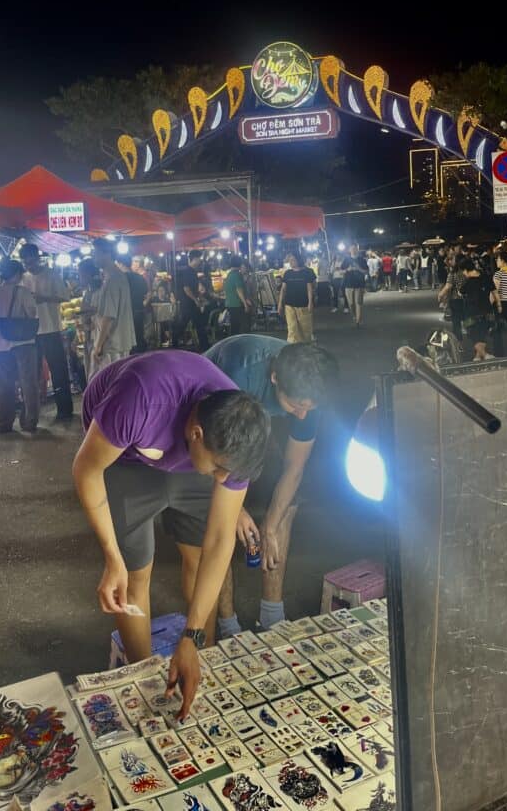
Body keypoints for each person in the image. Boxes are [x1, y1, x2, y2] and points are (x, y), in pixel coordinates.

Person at [73, 350, 270, 718]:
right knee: (134, 575)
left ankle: (197, 654)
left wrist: (191, 637)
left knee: (200, 555)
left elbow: (219, 539)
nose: (226, 482)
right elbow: (86, 470)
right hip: (124, 455)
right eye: (222, 472)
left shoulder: (236, 440)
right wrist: (111, 556)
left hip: (189, 459)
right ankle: (145, 678)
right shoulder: (141, 399)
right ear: (195, 434)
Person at [204, 335, 337, 635]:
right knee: (220, 521)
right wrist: (235, 511)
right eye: (296, 406)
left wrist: (271, 525)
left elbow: (294, 467)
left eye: (308, 408)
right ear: (275, 378)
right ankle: (228, 624)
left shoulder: (306, 392)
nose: (302, 414)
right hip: (209, 427)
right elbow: (213, 454)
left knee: (284, 509)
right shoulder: (238, 374)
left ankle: (272, 615)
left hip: (256, 422)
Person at [20, 243, 74, 421]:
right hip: (31, 331)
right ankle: (33, 412)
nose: (29, 266)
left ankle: (65, 410)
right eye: (26, 263)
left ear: (38, 258)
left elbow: (65, 296)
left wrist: (44, 298)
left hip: (51, 328)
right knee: (32, 373)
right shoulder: (23, 278)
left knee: (58, 371)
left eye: (31, 261)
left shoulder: (51, 274)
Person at [0, 258, 39, 434]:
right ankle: (29, 422)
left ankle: (3, 422)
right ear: (17, 274)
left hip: (1, 345)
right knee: (28, 384)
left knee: (4, 385)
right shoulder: (24, 293)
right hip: (23, 343)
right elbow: (32, 314)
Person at [90, 238, 136, 377]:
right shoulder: (115, 276)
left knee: (109, 385)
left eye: (95, 253)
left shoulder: (113, 280)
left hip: (112, 344)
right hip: (119, 341)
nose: (93, 257)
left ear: (107, 254)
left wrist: (98, 346)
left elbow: (109, 316)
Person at [459, 257, 494, 360]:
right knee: (482, 333)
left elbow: (460, 292)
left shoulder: (468, 282)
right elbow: (493, 292)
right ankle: (478, 356)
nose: (464, 274)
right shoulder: (486, 277)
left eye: (463, 272)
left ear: (466, 270)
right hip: (486, 310)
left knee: (472, 334)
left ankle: (484, 355)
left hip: (471, 312)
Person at [174, 251, 209, 351]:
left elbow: (194, 287)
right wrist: (195, 300)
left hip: (191, 303)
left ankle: (204, 345)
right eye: (199, 259)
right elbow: (186, 289)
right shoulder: (188, 271)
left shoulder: (192, 271)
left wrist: (200, 297)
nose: (200, 261)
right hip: (188, 303)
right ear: (194, 259)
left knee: (198, 324)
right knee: (186, 324)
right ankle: (175, 341)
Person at [278, 252, 315, 343]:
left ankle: (306, 346)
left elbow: (310, 289)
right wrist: (280, 304)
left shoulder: (307, 272)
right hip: (289, 305)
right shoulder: (287, 273)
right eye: (290, 260)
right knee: (292, 328)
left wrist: (310, 302)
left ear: (299, 260)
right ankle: (292, 347)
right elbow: (283, 289)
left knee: (305, 329)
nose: (291, 262)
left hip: (303, 304)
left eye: (293, 260)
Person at [117, 252, 149, 353]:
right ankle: (142, 360)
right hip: (139, 311)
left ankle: (132, 362)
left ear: (121, 264)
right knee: (139, 337)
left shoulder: (119, 279)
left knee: (128, 341)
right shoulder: (139, 277)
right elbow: (145, 292)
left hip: (126, 314)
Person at [78, 258, 102, 381]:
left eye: (80, 274)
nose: (79, 277)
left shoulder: (98, 293)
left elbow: (98, 316)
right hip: (88, 338)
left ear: (89, 274)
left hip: (96, 339)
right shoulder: (88, 293)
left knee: (96, 373)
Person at [223, 256, 253, 336]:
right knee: (240, 328)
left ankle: (234, 343)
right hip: (237, 304)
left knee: (234, 326)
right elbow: (239, 290)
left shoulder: (229, 274)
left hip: (230, 304)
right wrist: (245, 304)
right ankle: (239, 344)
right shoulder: (237, 274)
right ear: (239, 264)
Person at [342, 244, 368, 326]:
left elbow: (366, 271)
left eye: (355, 248)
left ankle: (358, 320)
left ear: (358, 249)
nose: (353, 250)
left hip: (359, 284)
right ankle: (354, 316)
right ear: (349, 250)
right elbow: (340, 271)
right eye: (352, 248)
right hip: (348, 284)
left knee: (358, 302)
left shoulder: (362, 260)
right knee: (351, 303)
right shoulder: (346, 260)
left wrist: (358, 268)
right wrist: (347, 269)